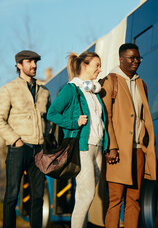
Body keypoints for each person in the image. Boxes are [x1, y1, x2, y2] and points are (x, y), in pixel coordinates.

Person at [47, 51, 108, 228]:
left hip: (97, 147)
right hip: (82, 147)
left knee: (85, 196)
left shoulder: (92, 90)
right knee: (86, 195)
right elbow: (52, 113)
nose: (99, 69)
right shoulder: (71, 89)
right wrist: (74, 122)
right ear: (85, 65)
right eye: (96, 65)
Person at [0, 50, 50, 228]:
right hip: (19, 147)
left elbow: (47, 119)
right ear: (19, 65)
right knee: (11, 194)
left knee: (38, 196)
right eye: (29, 62)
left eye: (35, 62)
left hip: (39, 149)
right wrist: (15, 140)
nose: (34, 65)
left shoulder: (44, 91)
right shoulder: (8, 89)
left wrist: (47, 137)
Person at [100, 43, 156, 228]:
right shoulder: (110, 81)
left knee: (134, 199)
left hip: (138, 150)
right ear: (121, 59)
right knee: (115, 200)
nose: (136, 61)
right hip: (118, 152)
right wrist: (112, 146)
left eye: (138, 58)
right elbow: (105, 116)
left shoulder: (141, 83)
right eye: (131, 58)